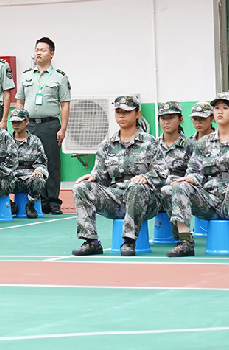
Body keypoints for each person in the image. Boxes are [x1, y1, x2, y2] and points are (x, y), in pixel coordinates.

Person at [166, 93, 229, 258]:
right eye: (217, 108)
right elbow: (195, 171)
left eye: (225, 108)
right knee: (180, 185)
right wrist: (190, 179)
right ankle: (185, 242)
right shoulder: (204, 143)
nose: (220, 112)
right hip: (209, 200)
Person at [72, 95, 168, 256]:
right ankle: (91, 241)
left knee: (136, 187)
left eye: (126, 112)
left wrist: (146, 178)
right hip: (117, 196)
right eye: (118, 112)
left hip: (146, 200)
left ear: (137, 114)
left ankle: (129, 241)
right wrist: (92, 177)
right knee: (81, 187)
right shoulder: (107, 145)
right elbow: (101, 174)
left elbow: (162, 173)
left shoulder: (150, 142)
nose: (122, 115)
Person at [15, 37, 71, 215]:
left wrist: (62, 129)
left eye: (43, 50)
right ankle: (37, 200)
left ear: (52, 54)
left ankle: (53, 202)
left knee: (52, 163)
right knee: (28, 163)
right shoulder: (26, 75)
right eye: (36, 49)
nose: (38, 52)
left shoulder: (59, 77)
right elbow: (20, 101)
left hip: (49, 124)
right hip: (28, 125)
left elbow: (65, 104)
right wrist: (18, 123)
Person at [8, 108, 46, 219]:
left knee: (39, 180)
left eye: (19, 122)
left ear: (27, 122)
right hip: (11, 179)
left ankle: (30, 205)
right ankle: (10, 204)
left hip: (29, 178)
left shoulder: (35, 141)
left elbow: (42, 162)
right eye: (13, 122)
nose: (16, 125)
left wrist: (39, 170)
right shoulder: (6, 140)